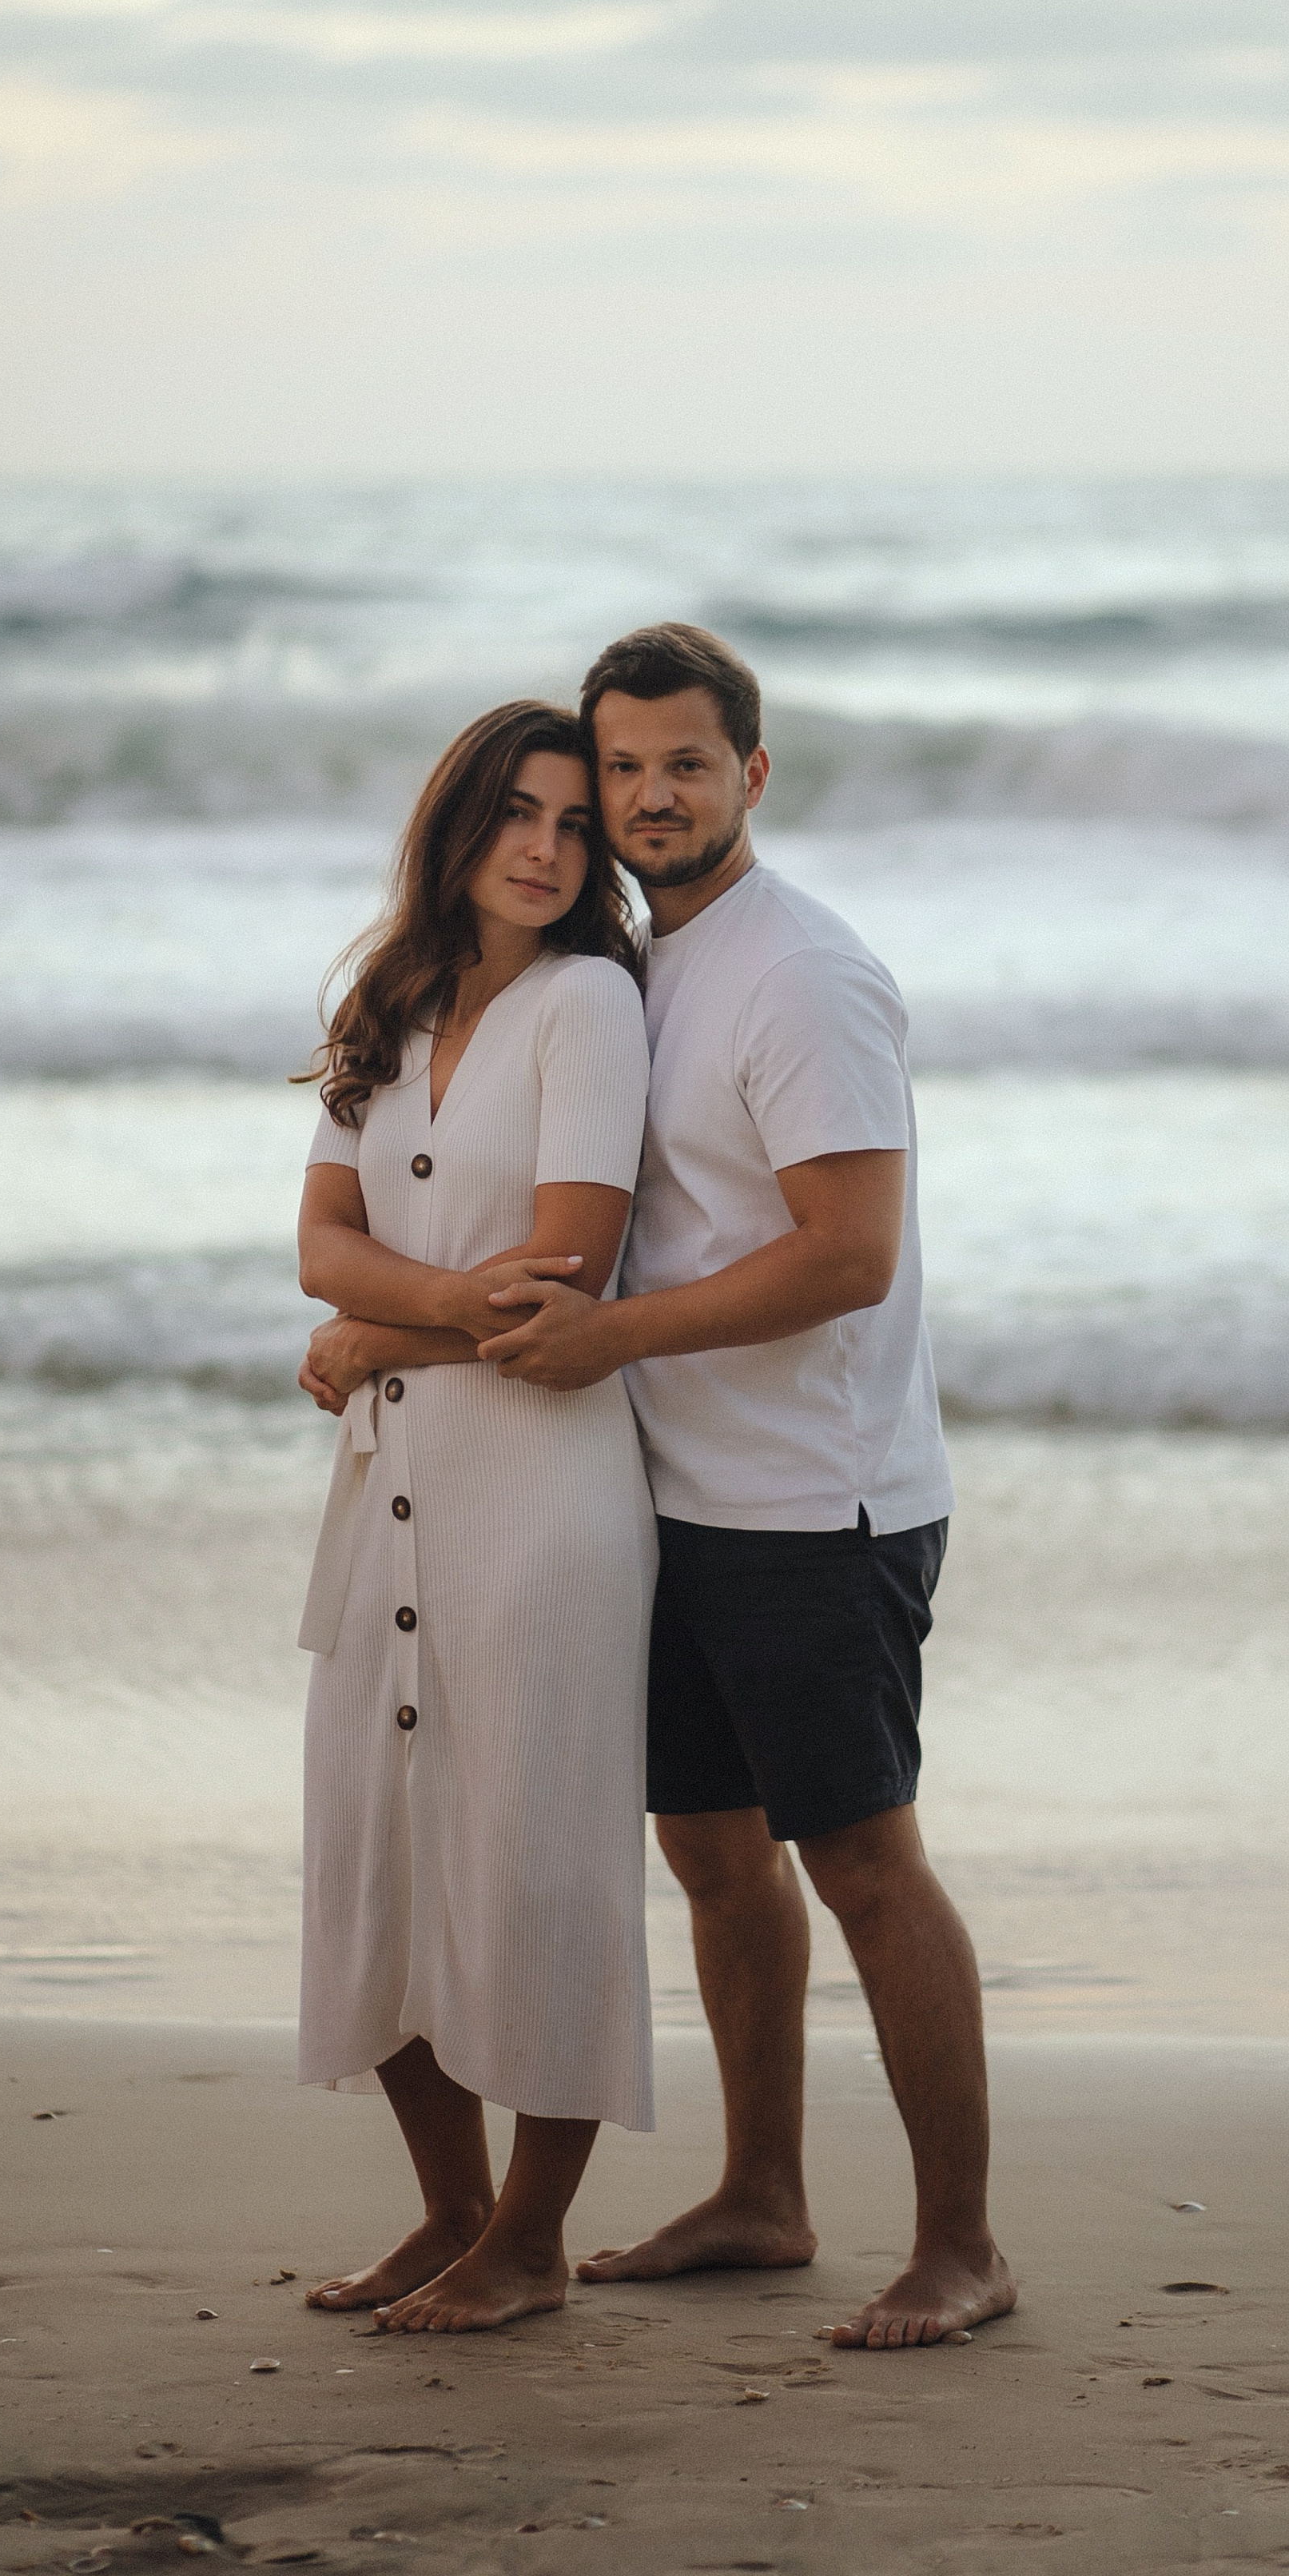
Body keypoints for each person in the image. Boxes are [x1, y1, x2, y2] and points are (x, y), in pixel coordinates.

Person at [475, 623, 1016, 2351]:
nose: (645, 798)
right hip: (680, 1491)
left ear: (751, 775)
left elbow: (845, 1255)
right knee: (709, 1853)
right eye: (619, 767)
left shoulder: (798, 974)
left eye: (682, 765)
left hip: (817, 1500)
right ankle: (761, 2196)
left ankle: (961, 2248)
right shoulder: (645, 964)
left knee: (861, 1860)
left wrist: (617, 1336)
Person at [288, 699, 657, 2335]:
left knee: (539, 1862)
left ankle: (531, 2235)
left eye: (576, 827)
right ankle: (447, 2209)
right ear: (457, 824)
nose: (546, 848)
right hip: (393, 1492)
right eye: (518, 812)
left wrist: (384, 1330)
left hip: (544, 1502)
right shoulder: (394, 998)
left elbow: (566, 1280)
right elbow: (318, 1237)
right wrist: (418, 1302)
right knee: (381, 1845)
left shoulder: (589, 1005)